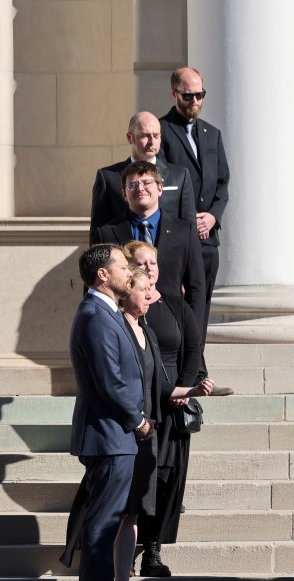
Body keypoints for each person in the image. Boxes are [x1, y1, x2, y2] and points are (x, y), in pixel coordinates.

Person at [111, 267, 212, 581]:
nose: (151, 295)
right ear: (126, 293)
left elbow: (162, 387)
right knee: (121, 512)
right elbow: (111, 381)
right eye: (144, 289)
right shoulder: (114, 325)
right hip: (126, 431)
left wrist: (194, 388)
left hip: (147, 429)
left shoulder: (146, 331)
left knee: (136, 510)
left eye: (153, 285)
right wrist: (134, 419)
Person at [67, 244, 153, 581]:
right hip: (109, 434)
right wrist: (137, 420)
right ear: (103, 274)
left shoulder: (107, 312)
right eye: (121, 265)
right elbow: (109, 381)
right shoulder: (95, 315)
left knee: (108, 518)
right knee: (102, 523)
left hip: (114, 435)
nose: (128, 270)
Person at [91, 161, 207, 374]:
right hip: (124, 330)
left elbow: (197, 288)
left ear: (160, 188)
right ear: (124, 194)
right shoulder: (106, 233)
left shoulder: (184, 231)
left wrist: (194, 336)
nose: (140, 189)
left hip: (172, 333)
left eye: (147, 183)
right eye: (132, 185)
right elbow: (97, 286)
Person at [158, 67, 230, 339]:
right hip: (179, 237)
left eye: (200, 95)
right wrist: (191, 221)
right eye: (188, 96)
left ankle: (197, 366)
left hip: (208, 239)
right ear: (174, 94)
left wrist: (212, 217)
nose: (195, 102)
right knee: (179, 305)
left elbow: (223, 183)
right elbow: (164, 186)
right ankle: (182, 369)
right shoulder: (162, 131)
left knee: (202, 306)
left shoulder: (212, 134)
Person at [90, 112, 196, 233]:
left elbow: (189, 227)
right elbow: (98, 231)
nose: (151, 141)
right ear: (130, 137)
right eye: (145, 136)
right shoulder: (108, 177)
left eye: (156, 136)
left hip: (170, 249)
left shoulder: (180, 175)